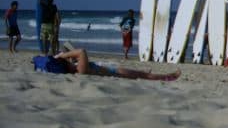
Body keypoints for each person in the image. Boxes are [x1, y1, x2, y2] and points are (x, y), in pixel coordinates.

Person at [47, 48, 180, 80]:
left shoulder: (76, 69)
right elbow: (81, 51)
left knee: (142, 73)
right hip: (114, 73)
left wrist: (63, 57)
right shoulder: (80, 70)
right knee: (142, 75)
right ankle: (167, 77)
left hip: (111, 70)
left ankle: (163, 76)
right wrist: (63, 55)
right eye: (65, 60)